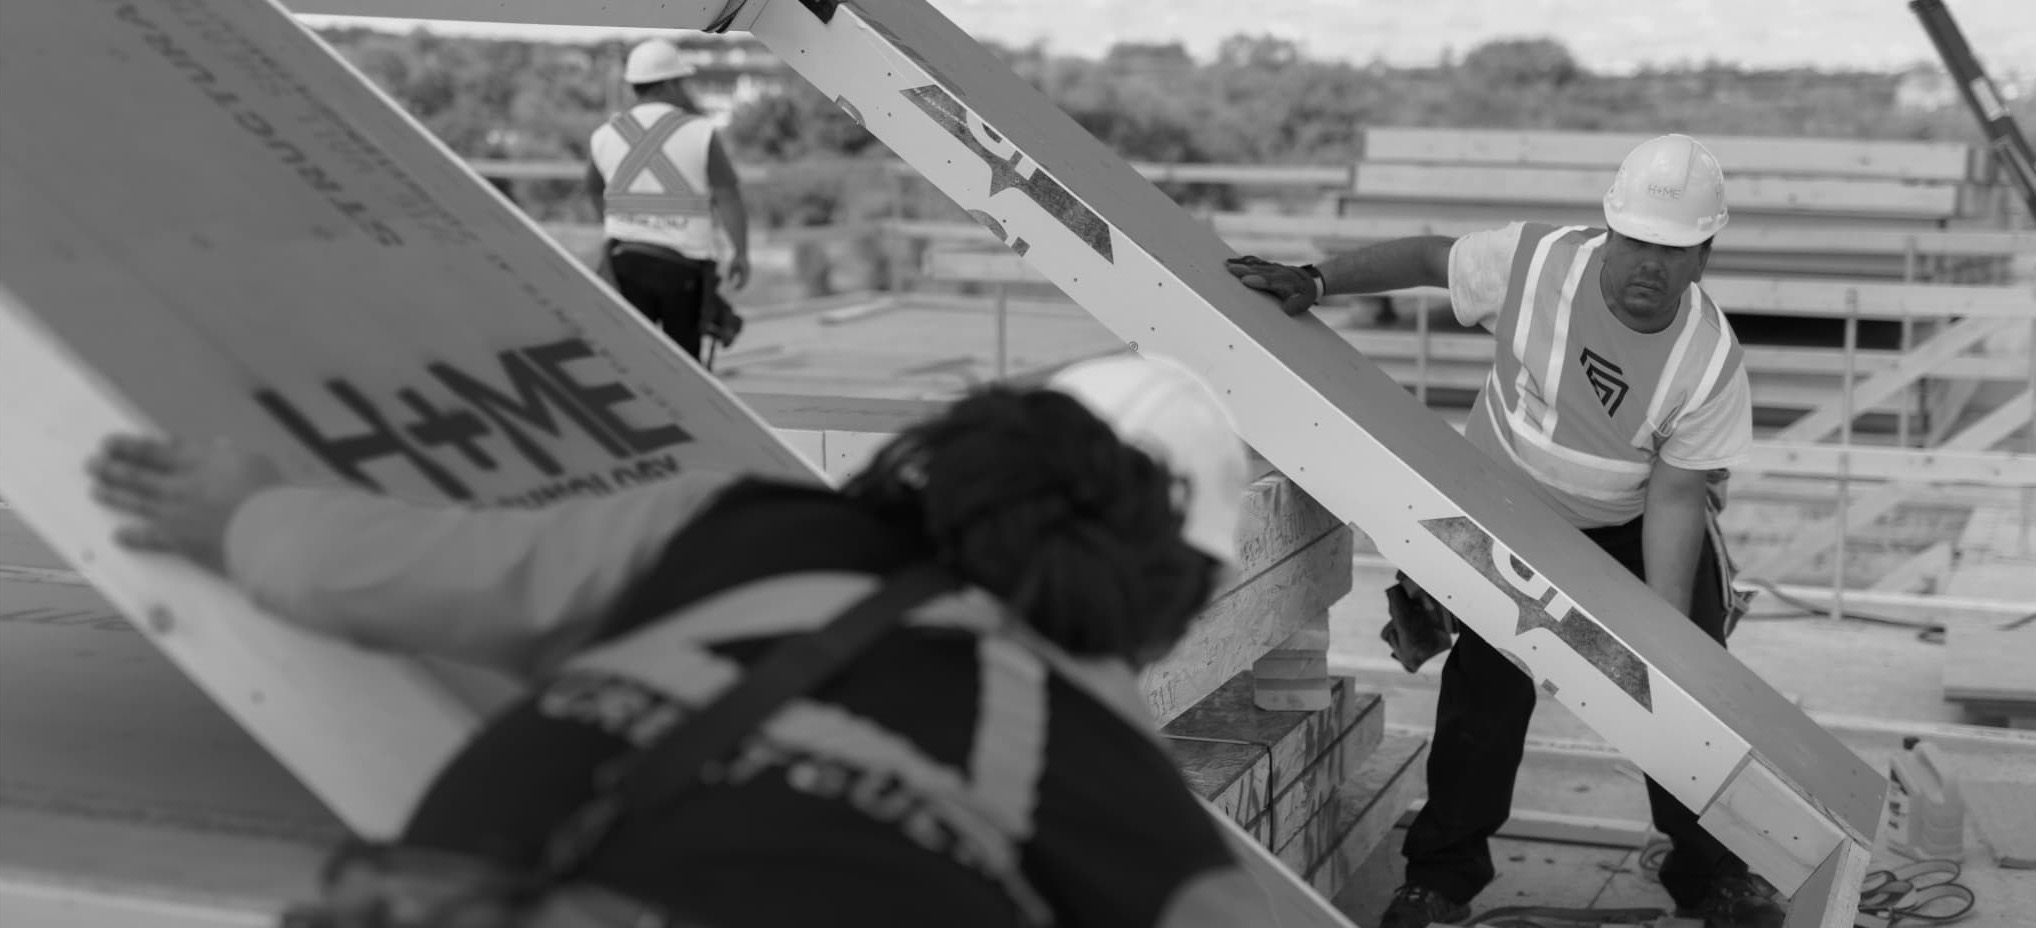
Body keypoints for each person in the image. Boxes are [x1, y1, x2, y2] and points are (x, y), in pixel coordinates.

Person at [86, 355, 1274, 928]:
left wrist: (237, 510)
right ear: (1172, 596)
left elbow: (402, 575)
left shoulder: (732, 524)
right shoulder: (1134, 809)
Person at [1228, 134, 1770, 928]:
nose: (1650, 266)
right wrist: (1317, 279)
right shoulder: (1538, 262)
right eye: (1638, 242)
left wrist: (1661, 636)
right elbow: (1425, 256)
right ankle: (1440, 878)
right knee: (1486, 689)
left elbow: (1678, 500)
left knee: (1686, 692)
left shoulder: (1709, 362)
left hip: (1631, 525)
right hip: (1511, 516)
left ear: (1705, 256)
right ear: (1609, 229)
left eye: (1674, 250)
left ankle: (1712, 871)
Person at [586, 38, 750, 361]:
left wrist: (618, 225)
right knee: (683, 365)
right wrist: (740, 253)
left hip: (624, 264)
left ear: (634, 85)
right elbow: (728, 196)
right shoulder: (700, 132)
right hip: (683, 268)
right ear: (673, 84)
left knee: (632, 361)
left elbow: (593, 189)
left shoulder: (605, 134)